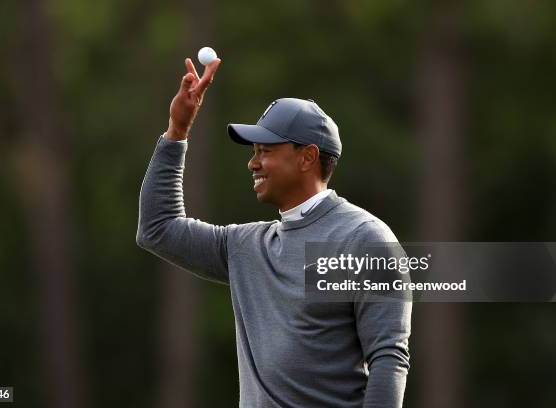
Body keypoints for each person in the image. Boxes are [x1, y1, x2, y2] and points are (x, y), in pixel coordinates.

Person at [136, 57, 412, 408]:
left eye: (265, 151)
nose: (253, 163)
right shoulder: (245, 246)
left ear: (307, 157)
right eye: (254, 152)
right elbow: (157, 229)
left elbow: (388, 359)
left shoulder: (365, 240)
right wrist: (177, 131)